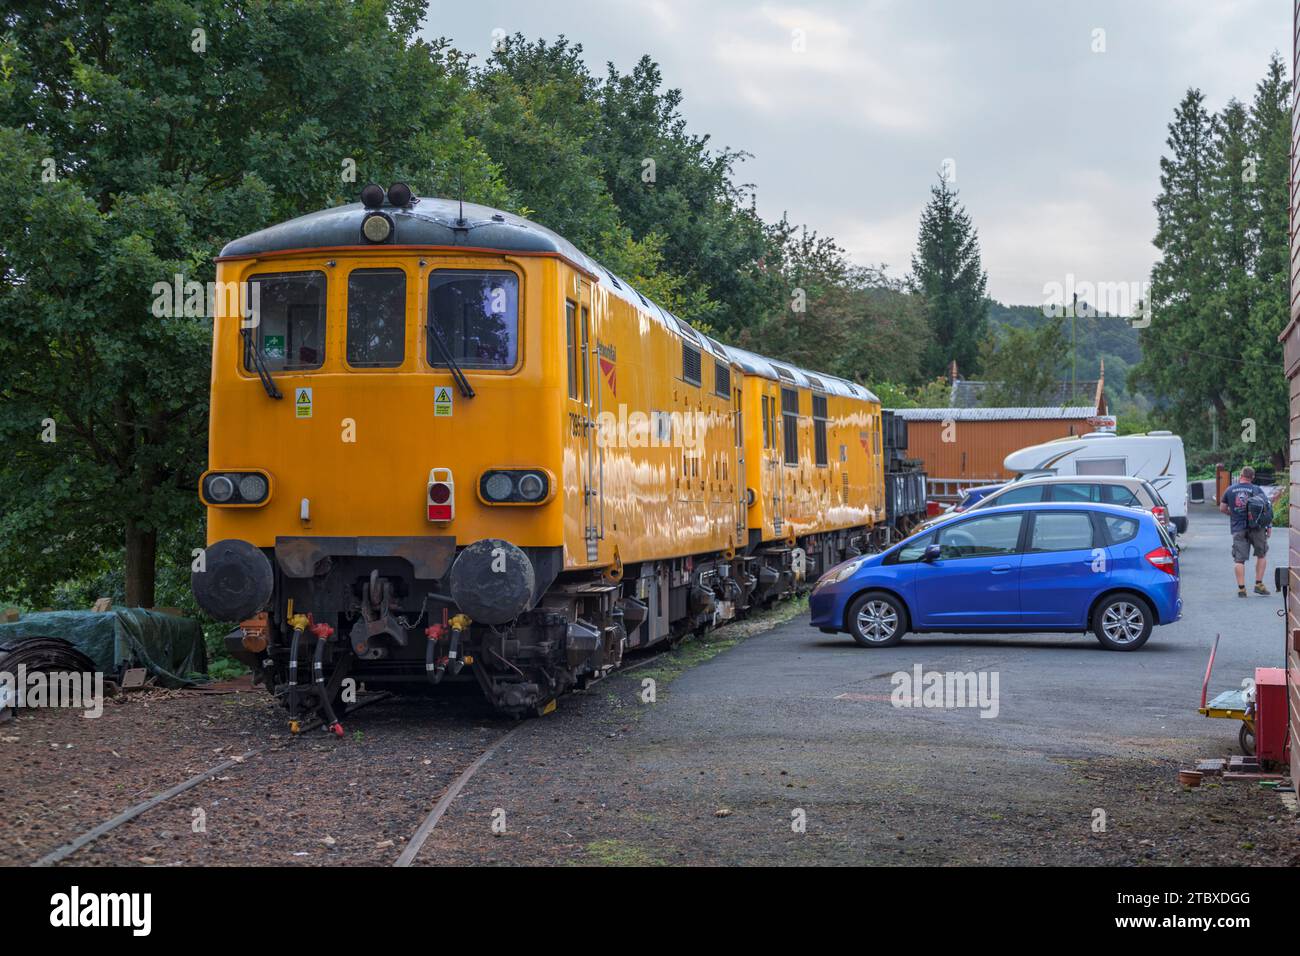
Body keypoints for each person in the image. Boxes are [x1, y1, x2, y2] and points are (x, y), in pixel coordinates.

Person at [1219, 466, 1272, 596]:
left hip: (1238, 527)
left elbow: (1222, 508)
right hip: (1257, 527)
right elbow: (1266, 509)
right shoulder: (1256, 489)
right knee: (1261, 554)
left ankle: (1242, 589)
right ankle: (1259, 584)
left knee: (1239, 560)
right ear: (1252, 477)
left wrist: (1232, 514)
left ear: (1241, 475)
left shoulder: (1230, 490)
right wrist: (1269, 526)